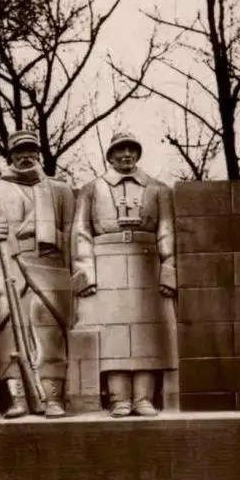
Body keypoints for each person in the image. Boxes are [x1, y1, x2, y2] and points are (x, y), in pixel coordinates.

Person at [71, 131, 177, 417]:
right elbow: (81, 232)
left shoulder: (159, 189)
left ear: (138, 154)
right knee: (112, 335)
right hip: (106, 263)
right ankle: (119, 398)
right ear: (110, 156)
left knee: (147, 333)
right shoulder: (91, 189)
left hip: (146, 263)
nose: (126, 155)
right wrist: (85, 272)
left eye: (132, 149)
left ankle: (143, 398)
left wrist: (168, 270)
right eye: (120, 150)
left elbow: (167, 230)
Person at [0, 129, 75, 419]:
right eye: (20, 151)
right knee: (9, 331)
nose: (26, 156)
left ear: (38, 153)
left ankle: (52, 397)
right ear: (11, 156)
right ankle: (17, 397)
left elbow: (71, 235)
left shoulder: (60, 190)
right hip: (8, 267)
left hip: (49, 266)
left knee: (49, 331)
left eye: (31, 150)